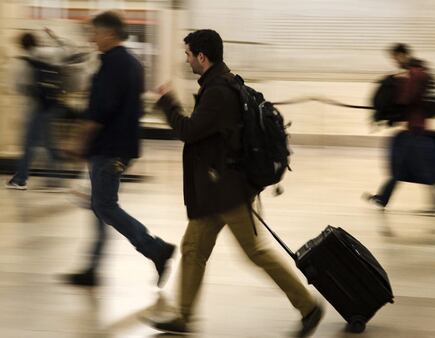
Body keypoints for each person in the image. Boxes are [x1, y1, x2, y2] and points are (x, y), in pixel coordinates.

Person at [147, 29, 323, 337]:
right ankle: (184, 316)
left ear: (202, 57)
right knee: (192, 249)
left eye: (188, 54)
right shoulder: (223, 83)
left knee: (255, 252)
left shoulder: (218, 91)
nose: (186, 60)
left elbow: (189, 131)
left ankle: (308, 305)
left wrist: (167, 104)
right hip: (217, 190)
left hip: (227, 192)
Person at [62, 11, 175, 287]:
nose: (92, 39)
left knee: (104, 205)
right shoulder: (132, 63)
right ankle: (92, 267)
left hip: (109, 148)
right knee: (98, 205)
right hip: (118, 146)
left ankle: (155, 248)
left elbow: (101, 110)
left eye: (95, 33)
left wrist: (78, 140)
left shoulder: (113, 64)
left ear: (109, 33)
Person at [366, 43, 435, 213]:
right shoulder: (420, 71)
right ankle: (383, 198)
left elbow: (406, 99)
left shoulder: (415, 73)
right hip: (416, 127)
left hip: (416, 129)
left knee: (416, 167)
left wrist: (391, 86)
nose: (394, 61)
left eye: (395, 57)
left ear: (402, 55)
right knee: (402, 166)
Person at [5, 30, 71, 190]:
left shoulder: (26, 60)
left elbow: (19, 86)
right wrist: (54, 36)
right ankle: (57, 179)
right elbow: (66, 50)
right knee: (48, 143)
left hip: (37, 107)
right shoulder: (47, 53)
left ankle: (20, 179)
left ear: (23, 45)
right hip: (52, 105)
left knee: (30, 143)